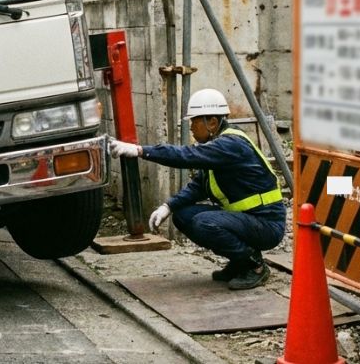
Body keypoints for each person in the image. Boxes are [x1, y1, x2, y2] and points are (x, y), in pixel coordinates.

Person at [109, 88, 285, 290]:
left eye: (194, 121)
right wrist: (168, 206)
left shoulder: (230, 144)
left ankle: (253, 266)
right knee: (182, 215)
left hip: (267, 225)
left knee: (204, 223)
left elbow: (186, 155)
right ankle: (239, 261)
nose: (191, 127)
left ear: (212, 122)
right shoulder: (220, 144)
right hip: (248, 220)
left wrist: (140, 151)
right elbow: (199, 185)